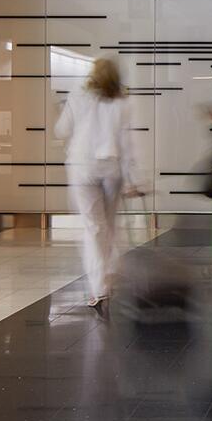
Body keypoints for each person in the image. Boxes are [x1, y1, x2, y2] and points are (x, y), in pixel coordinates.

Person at [55, 56, 139, 311]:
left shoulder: (78, 97)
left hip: (82, 168)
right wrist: (134, 178)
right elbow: (127, 143)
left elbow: (61, 130)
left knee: (93, 228)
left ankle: (98, 287)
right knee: (109, 225)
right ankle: (109, 271)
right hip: (112, 169)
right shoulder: (123, 102)